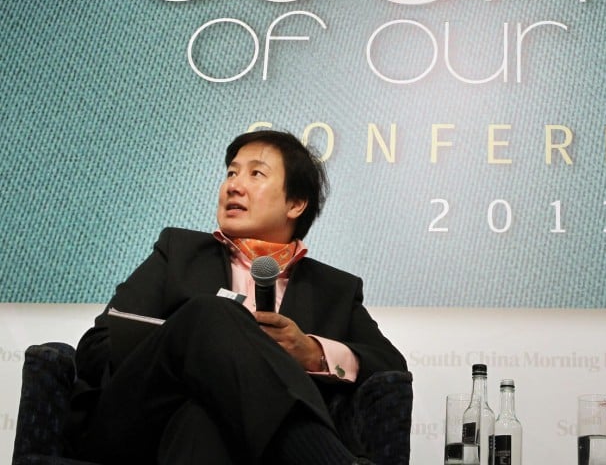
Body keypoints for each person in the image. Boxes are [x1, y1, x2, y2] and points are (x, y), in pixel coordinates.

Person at [72, 130, 407, 465]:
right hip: (139, 427)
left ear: (296, 203)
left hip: (236, 447)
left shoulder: (333, 289)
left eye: (256, 173)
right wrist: (188, 349)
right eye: (231, 172)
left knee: (204, 415)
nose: (234, 184)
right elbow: (95, 348)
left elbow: (390, 367)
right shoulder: (178, 252)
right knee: (208, 315)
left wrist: (314, 353)